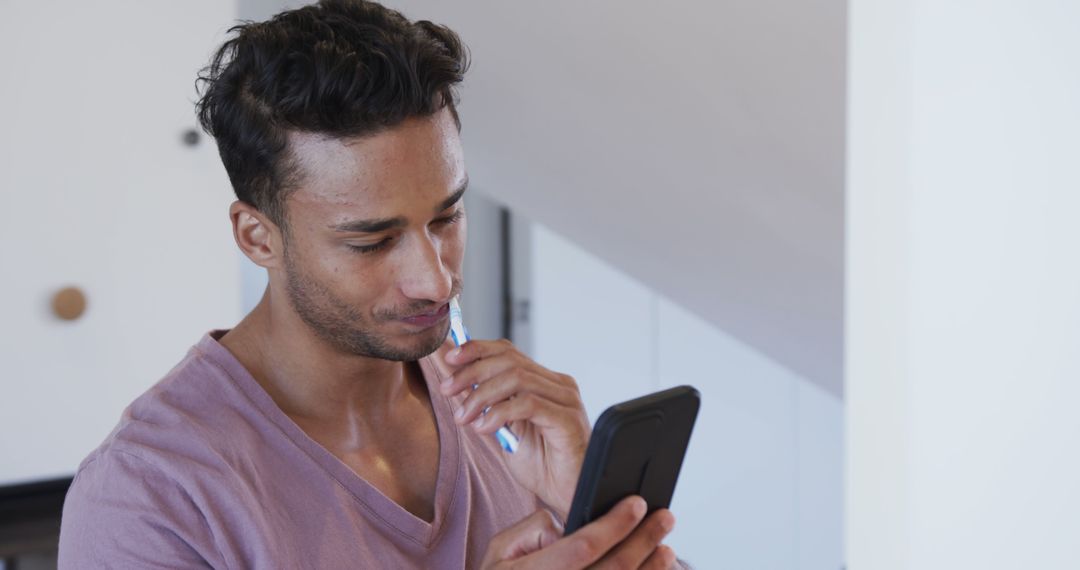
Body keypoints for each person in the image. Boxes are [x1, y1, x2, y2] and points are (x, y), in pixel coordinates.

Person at [58, 1, 681, 568]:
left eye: (447, 217)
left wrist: (599, 515)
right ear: (257, 237)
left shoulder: (503, 418)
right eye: (372, 242)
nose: (434, 279)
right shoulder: (147, 497)